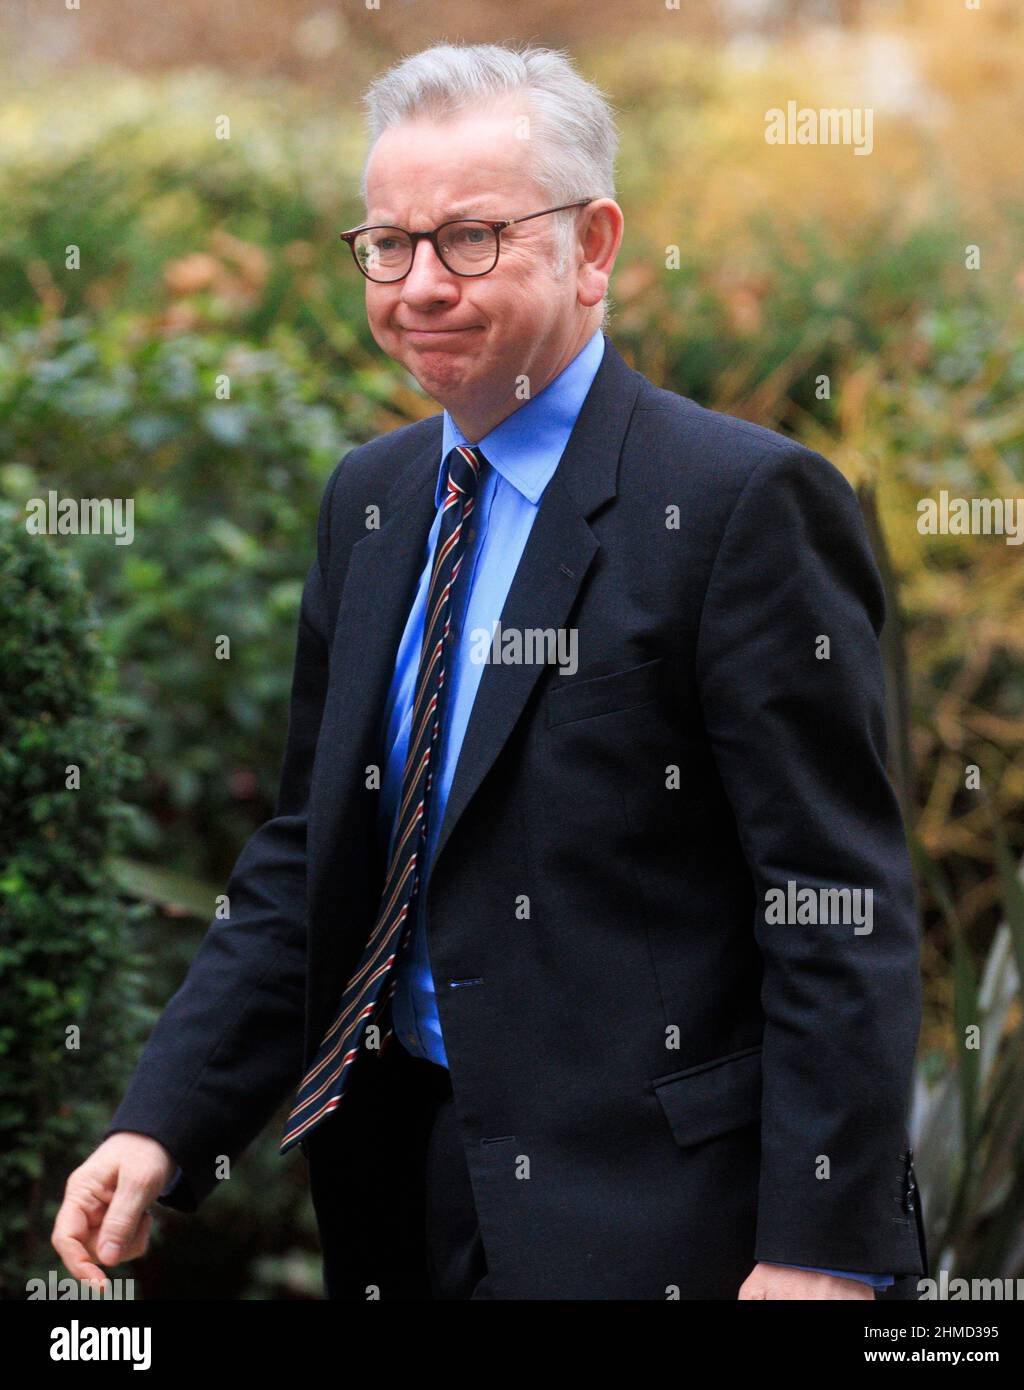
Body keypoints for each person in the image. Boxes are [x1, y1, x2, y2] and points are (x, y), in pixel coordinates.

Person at [52, 41, 928, 1301]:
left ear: (593, 245)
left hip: (662, 1224)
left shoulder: (739, 506)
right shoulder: (372, 499)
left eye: (471, 238)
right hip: (402, 1195)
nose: (420, 285)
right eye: (388, 244)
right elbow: (314, 852)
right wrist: (164, 1120)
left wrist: (818, 1253)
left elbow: (833, 901)